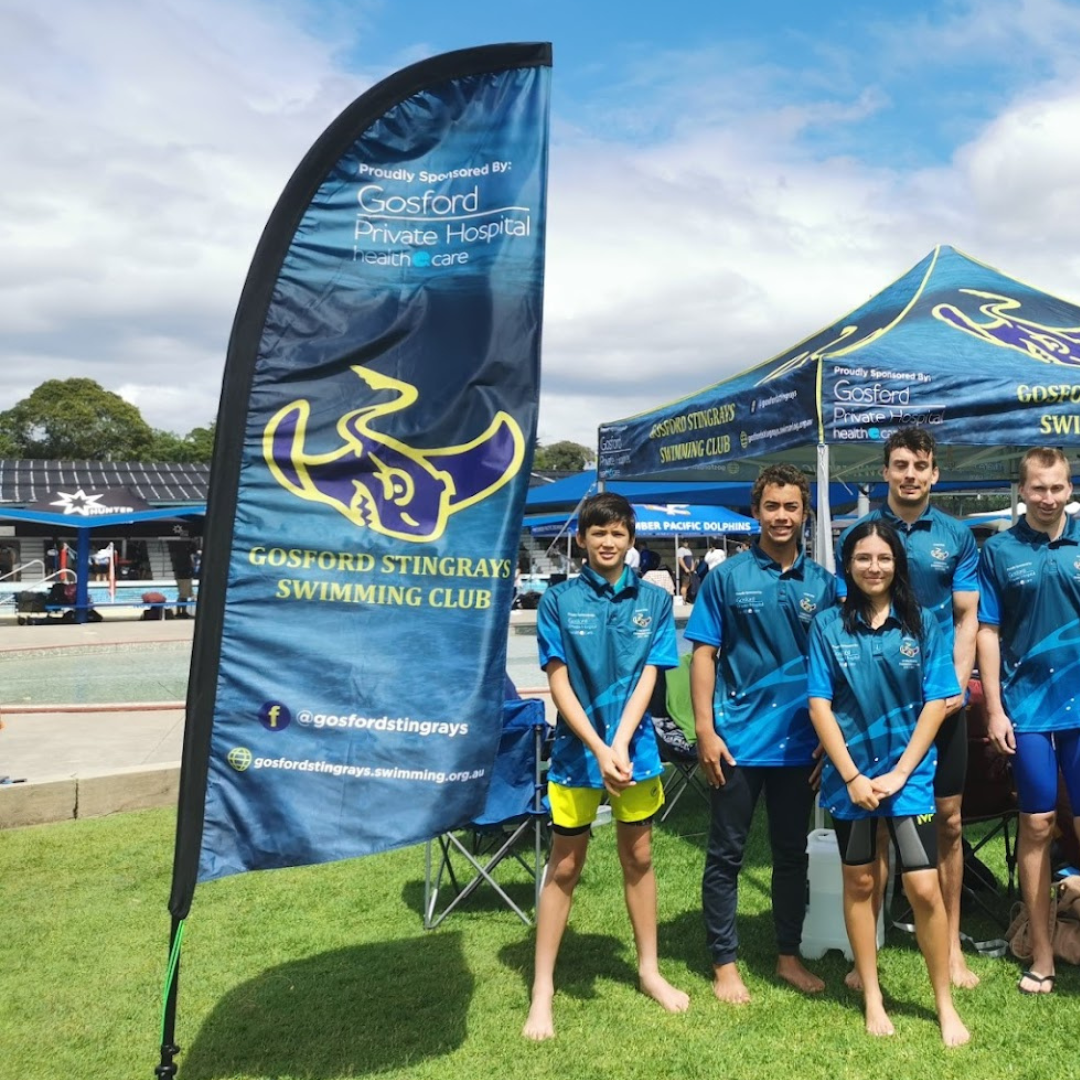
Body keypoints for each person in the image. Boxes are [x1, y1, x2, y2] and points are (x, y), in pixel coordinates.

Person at [523, 493, 689, 1040]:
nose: (608, 542)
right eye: (598, 533)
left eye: (617, 533)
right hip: (577, 754)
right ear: (583, 540)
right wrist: (598, 746)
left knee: (638, 856)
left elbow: (650, 676)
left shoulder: (654, 601)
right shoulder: (558, 601)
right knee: (565, 865)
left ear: (630, 538)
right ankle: (542, 988)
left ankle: (648, 971)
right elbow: (558, 680)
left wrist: (618, 743)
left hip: (634, 753)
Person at [808, 520, 969, 1046]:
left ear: (897, 563)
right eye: (862, 559)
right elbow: (819, 704)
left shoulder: (924, 623)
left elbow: (937, 703)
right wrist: (852, 775)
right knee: (859, 882)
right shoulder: (828, 625)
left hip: (911, 777)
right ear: (848, 566)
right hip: (849, 779)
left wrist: (901, 772)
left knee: (923, 885)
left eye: (883, 558)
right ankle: (872, 995)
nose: (873, 567)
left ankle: (943, 1003)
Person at [687, 463, 837, 1004]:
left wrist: (831, 737)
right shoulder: (726, 577)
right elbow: (703, 654)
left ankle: (787, 956)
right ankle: (724, 963)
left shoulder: (825, 585)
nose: (781, 516)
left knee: (790, 854)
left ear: (804, 514)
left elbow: (836, 664)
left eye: (791, 507)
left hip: (801, 744)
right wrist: (705, 729)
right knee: (726, 855)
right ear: (756, 512)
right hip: (737, 742)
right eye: (771, 506)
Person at [835, 428, 980, 990]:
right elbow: (846, 616)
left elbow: (967, 618)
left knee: (947, 822)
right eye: (901, 465)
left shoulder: (957, 535)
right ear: (886, 471)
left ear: (935, 473)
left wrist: (953, 690)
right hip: (878, 705)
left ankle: (950, 952)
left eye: (921, 465)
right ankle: (865, 949)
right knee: (872, 824)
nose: (911, 474)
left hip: (940, 702)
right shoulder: (865, 534)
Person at [976, 446, 1080, 996]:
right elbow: (987, 633)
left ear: (1069, 487)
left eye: (1057, 487)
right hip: (1029, 713)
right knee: (1037, 827)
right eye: (1037, 488)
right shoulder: (998, 551)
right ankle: (1042, 956)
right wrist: (993, 708)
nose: (1047, 498)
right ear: (1021, 491)